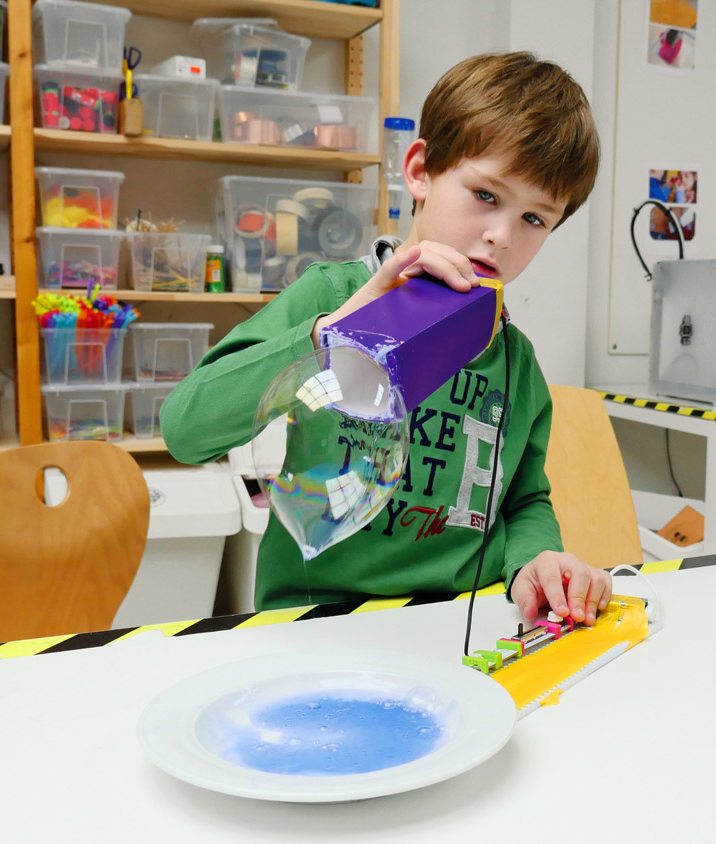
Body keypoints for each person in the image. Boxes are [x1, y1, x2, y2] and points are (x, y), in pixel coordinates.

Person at [160, 52, 611, 626]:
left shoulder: (515, 363)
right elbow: (185, 430)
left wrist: (534, 560)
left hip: (452, 625)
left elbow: (523, 501)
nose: (500, 236)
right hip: (312, 625)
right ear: (420, 170)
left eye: (535, 219)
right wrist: (331, 334)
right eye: (487, 196)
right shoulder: (332, 296)